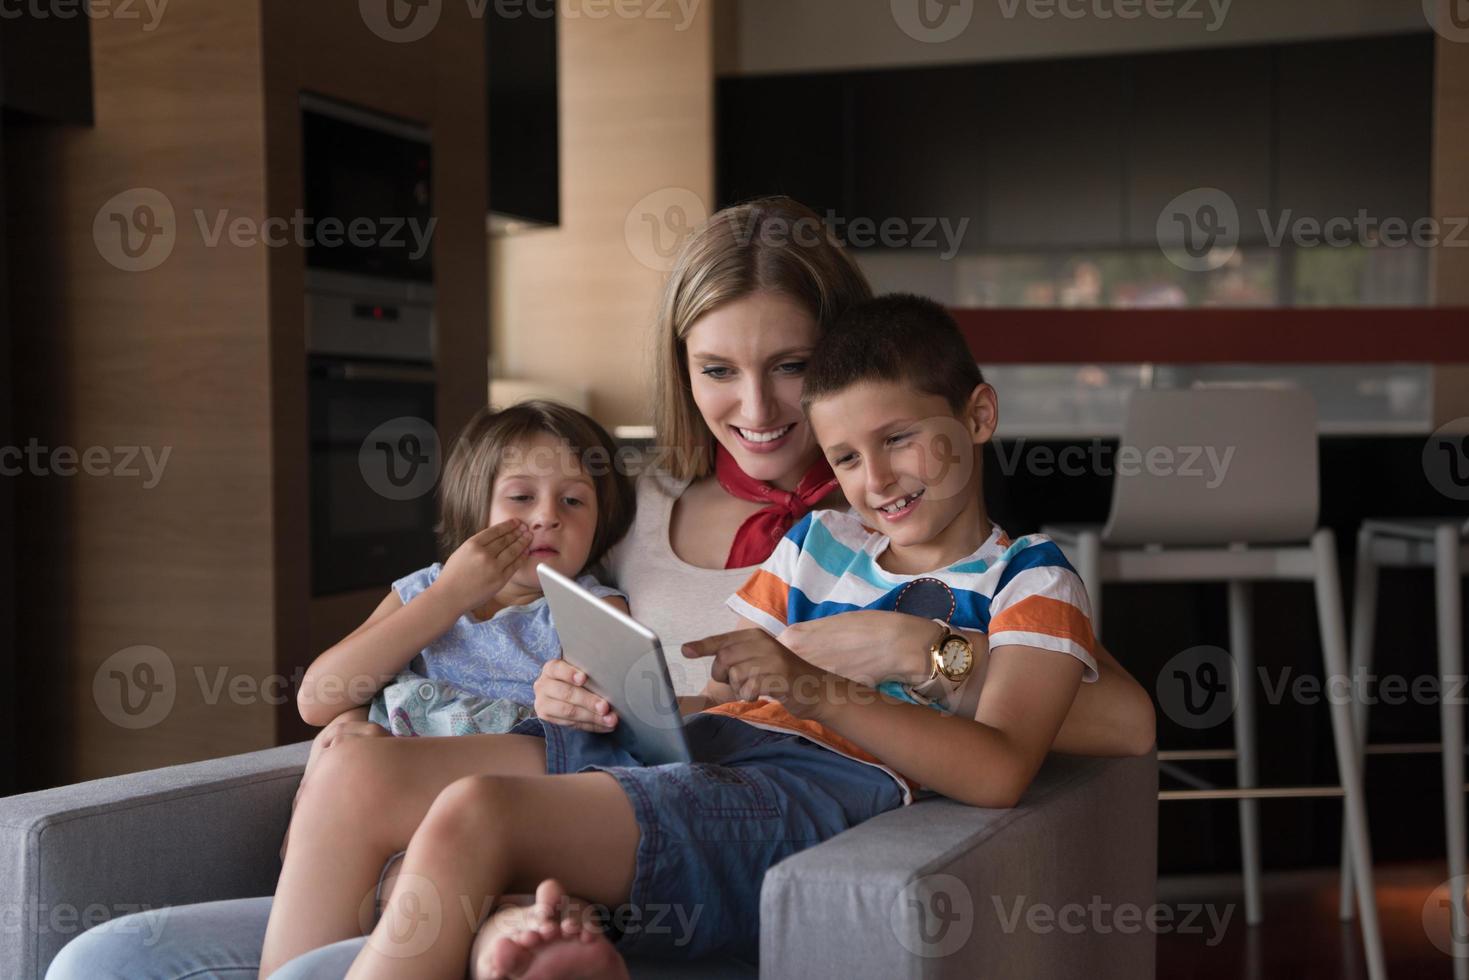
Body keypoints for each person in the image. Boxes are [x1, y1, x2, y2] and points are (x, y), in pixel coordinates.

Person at [45, 199, 1152, 980]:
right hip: (635, 764)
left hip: (685, 806)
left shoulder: (948, 553)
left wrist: (905, 655)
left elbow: (1083, 715)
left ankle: (501, 933)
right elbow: (686, 681)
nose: (757, 406)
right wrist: (577, 678)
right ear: (680, 368)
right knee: (136, 929)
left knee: (474, 828)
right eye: (717, 368)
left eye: (791, 370)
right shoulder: (625, 503)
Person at [303, 291, 1153, 979]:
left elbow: (1003, 766)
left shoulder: (1028, 577)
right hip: (712, 745)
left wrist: (853, 673)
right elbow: (721, 695)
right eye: (848, 458)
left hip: (814, 784)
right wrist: (613, 697)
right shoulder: (816, 543)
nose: (877, 478)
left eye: (897, 440)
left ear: (978, 415)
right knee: (357, 769)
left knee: (476, 813)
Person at [278, 400, 634, 862]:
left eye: (573, 500)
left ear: (600, 521)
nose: (547, 516)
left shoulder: (592, 608)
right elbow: (317, 699)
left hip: (491, 825)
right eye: (522, 497)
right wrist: (450, 597)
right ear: (475, 505)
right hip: (378, 808)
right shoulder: (426, 590)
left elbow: (601, 738)